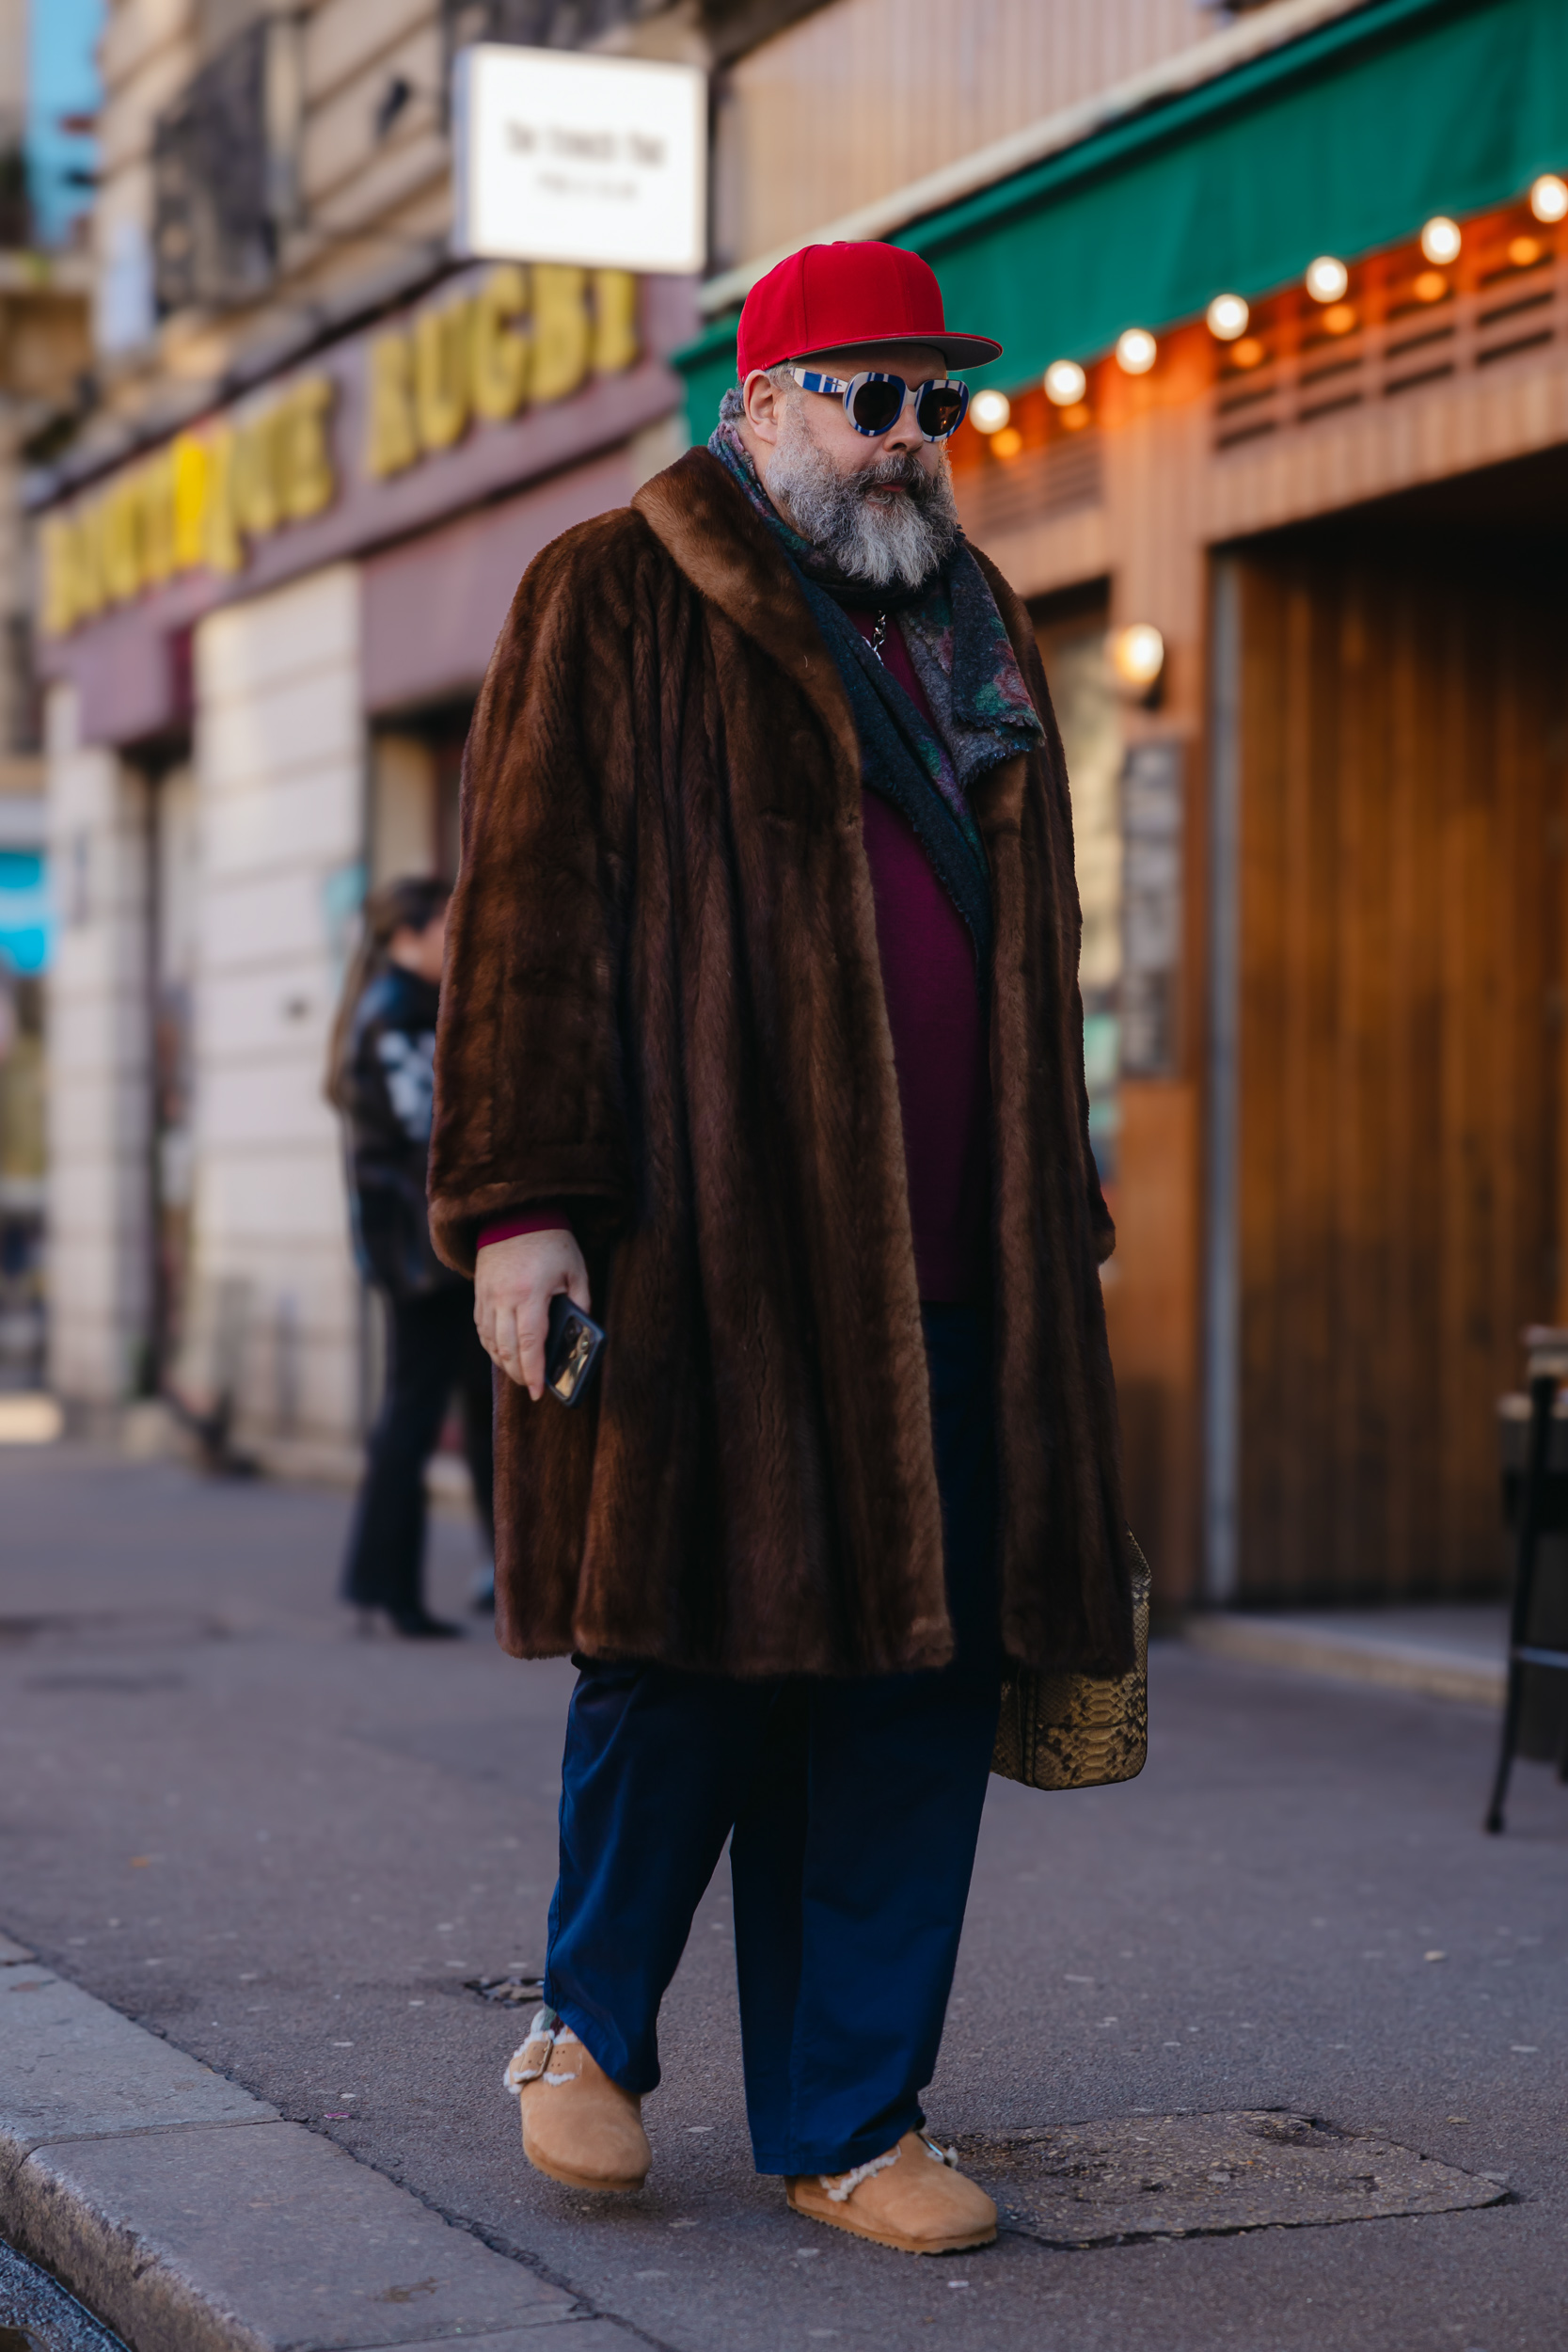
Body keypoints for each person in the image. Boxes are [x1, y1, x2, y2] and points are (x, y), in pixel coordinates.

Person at [429, 242, 1132, 2254]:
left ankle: (849, 2115)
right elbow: (527, 911)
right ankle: (585, 2028)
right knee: (683, 1651)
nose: (911, 436)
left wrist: (1054, 1207)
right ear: (754, 404)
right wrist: (518, 1203)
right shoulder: (610, 586)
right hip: (713, 1254)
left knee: (914, 1690)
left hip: (961, 1264)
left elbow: (1032, 962)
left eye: (935, 401)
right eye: (867, 393)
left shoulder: (978, 618)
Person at [328, 876, 495, 1638]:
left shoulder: (397, 1010)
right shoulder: (396, 1017)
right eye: (444, 928)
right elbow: (425, 1134)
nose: (454, 940)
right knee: (418, 1414)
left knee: (464, 1409)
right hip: (423, 1255)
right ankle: (387, 1587)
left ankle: (473, 1574)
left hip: (417, 1247)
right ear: (406, 938)